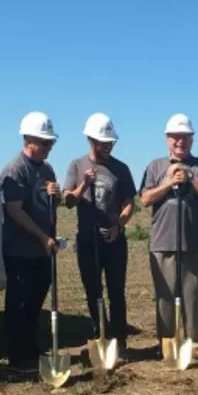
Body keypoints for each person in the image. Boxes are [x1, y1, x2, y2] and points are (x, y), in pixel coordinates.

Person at [139, 114, 198, 359]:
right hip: (163, 242)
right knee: (165, 294)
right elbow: (145, 198)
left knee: (193, 294)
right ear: (167, 139)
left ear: (192, 139)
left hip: (194, 242)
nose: (180, 141)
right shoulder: (155, 166)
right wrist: (168, 181)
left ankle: (194, 339)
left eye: (185, 137)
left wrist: (190, 176)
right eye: (175, 137)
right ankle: (167, 339)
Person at [63, 113, 136, 360]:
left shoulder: (121, 169)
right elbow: (68, 201)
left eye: (110, 143)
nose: (108, 146)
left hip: (114, 240)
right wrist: (83, 185)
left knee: (116, 290)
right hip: (86, 240)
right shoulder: (76, 165)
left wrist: (119, 224)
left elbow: (129, 202)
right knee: (93, 290)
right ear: (91, 141)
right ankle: (100, 335)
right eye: (103, 143)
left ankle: (120, 340)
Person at [0, 112, 61, 369]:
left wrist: (56, 194)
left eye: (51, 143)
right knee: (19, 304)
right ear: (28, 140)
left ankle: (31, 350)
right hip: (20, 249)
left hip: (42, 250)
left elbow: (51, 204)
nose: (48, 148)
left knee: (36, 302)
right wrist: (41, 236)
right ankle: (16, 356)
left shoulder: (46, 169)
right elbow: (15, 210)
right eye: (44, 142)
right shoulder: (15, 169)